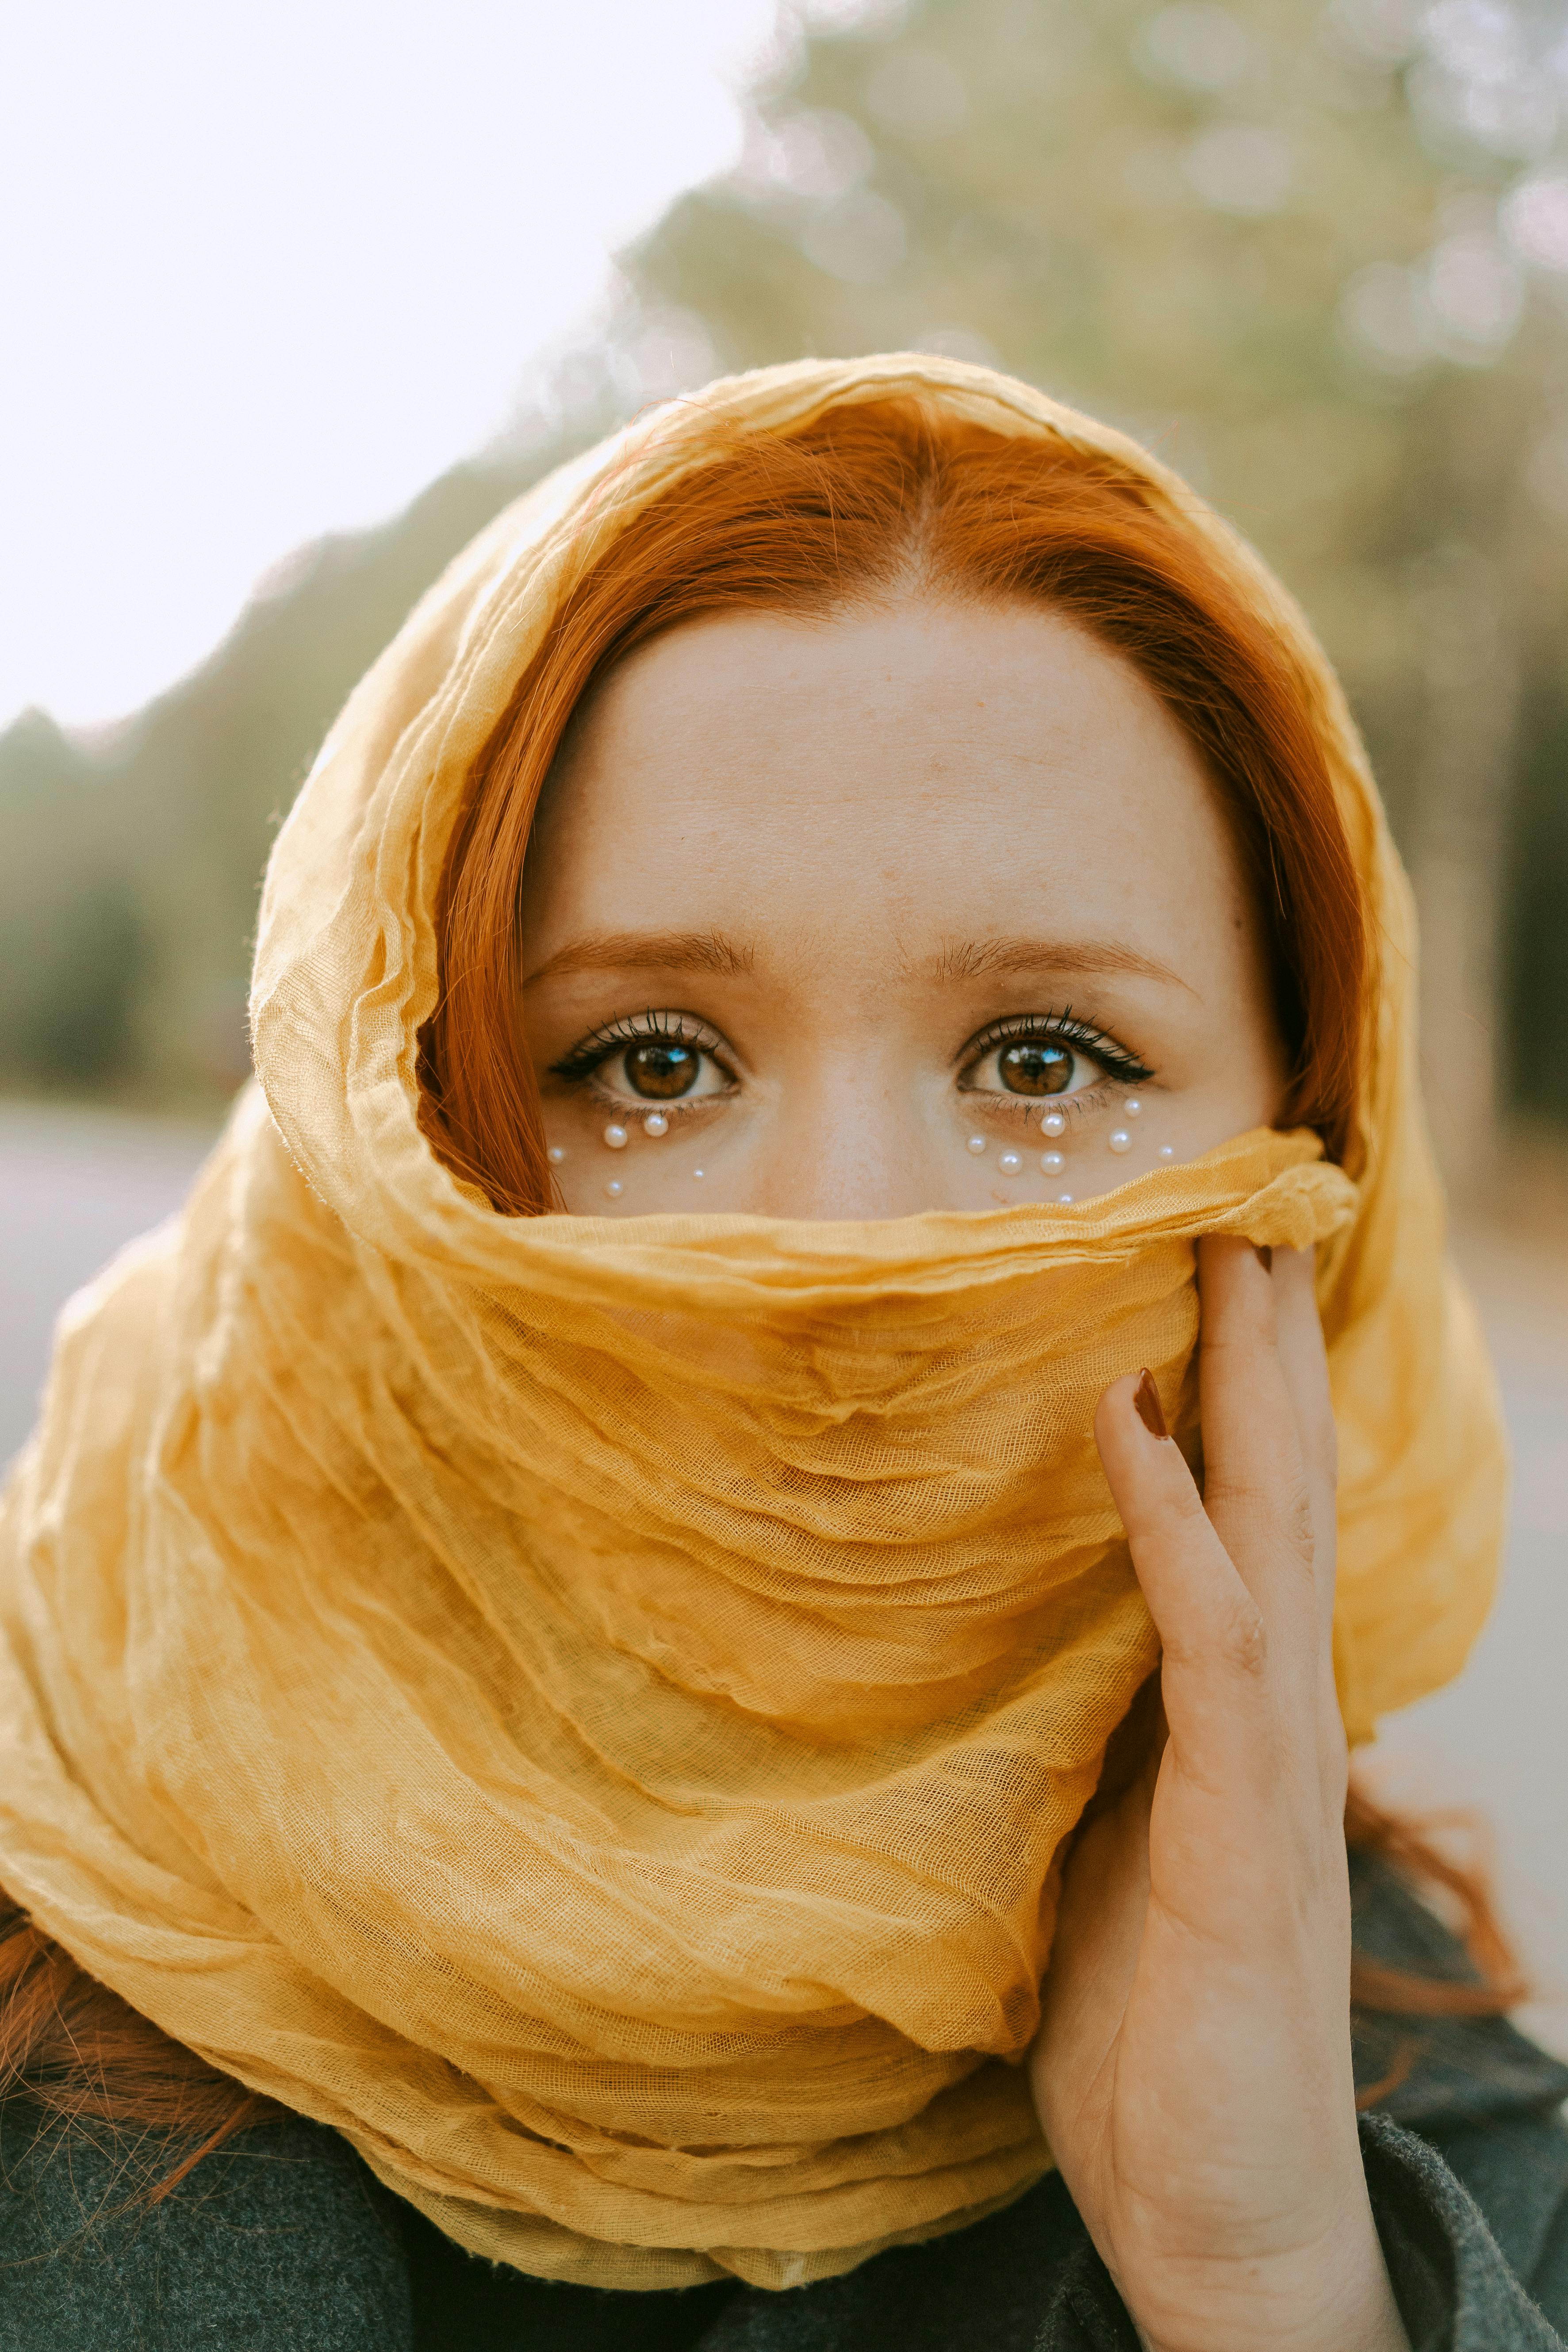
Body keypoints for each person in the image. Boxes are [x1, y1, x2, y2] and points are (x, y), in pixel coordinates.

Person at [1, 356, 1564, 2352]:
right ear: (385, 1138)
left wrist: (1274, 2285)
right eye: (649, 1062)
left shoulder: (1415, 2111)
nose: (841, 1238)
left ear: (1307, 1164)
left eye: (1046, 1061)